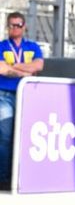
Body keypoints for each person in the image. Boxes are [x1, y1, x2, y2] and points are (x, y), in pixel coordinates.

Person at [0, 12, 44, 189]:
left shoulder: (32, 46)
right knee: (5, 137)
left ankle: (21, 177)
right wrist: (25, 72)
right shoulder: (2, 46)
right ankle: (4, 178)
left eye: (18, 25)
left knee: (26, 137)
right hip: (5, 95)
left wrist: (14, 67)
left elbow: (38, 65)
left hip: (27, 95)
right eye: (11, 25)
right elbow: (2, 69)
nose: (14, 28)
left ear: (24, 26)